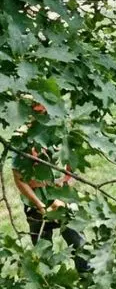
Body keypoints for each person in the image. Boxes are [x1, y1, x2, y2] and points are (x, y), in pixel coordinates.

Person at [12, 103, 89, 273]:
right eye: (36, 112)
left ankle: (88, 284)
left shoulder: (58, 131)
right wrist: (39, 205)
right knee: (42, 253)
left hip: (61, 200)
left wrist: (64, 188)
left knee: (80, 246)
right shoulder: (22, 138)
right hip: (35, 207)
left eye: (44, 111)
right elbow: (18, 178)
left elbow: (71, 164)